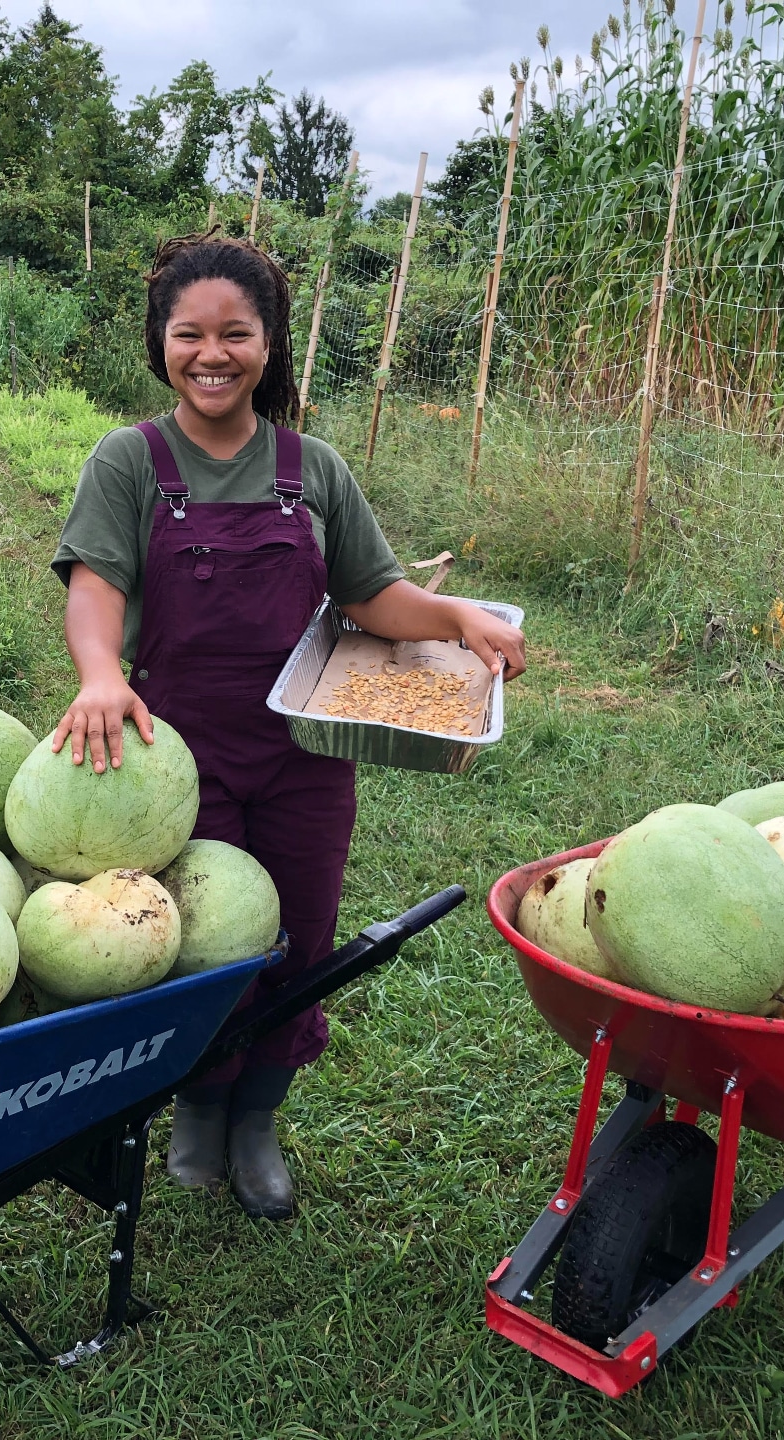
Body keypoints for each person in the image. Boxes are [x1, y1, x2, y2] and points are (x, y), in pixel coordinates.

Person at [49, 232, 526, 1219]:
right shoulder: (129, 462)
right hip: (173, 756)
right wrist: (100, 672)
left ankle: (259, 1118)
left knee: (298, 945)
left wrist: (457, 617)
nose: (211, 354)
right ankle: (198, 1108)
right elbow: (97, 585)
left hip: (307, 756)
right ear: (161, 343)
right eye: (189, 335)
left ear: (269, 345)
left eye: (235, 333)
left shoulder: (314, 470)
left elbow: (374, 597)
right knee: (200, 941)